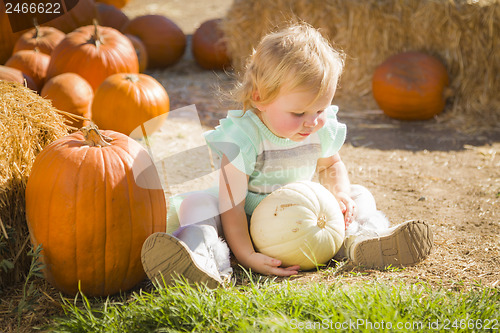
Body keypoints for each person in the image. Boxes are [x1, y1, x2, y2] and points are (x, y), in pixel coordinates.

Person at [141, 23, 433, 288]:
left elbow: (332, 164)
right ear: (260, 98)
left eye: (320, 110)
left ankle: (366, 239)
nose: (312, 121)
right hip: (245, 220)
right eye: (299, 113)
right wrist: (247, 254)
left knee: (360, 195)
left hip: (302, 220)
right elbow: (232, 206)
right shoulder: (243, 137)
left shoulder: (320, 127)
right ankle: (205, 260)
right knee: (197, 203)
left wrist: (341, 194)